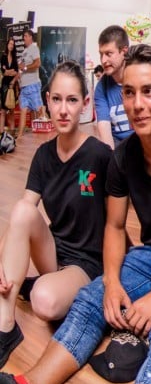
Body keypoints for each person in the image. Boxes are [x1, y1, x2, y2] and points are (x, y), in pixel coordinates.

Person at [0, 45, 151, 384]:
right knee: (90, 299)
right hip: (148, 256)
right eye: (130, 93)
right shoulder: (122, 157)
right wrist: (113, 282)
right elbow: (116, 227)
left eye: (149, 92)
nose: (138, 104)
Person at [0, 62, 111, 367]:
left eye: (72, 100)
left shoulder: (100, 155)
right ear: (47, 100)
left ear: (85, 104)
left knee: (44, 301)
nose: (63, 110)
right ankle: (5, 325)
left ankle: (40, 285)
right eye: (57, 99)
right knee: (23, 208)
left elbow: (117, 224)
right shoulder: (43, 155)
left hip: (87, 262)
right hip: (53, 254)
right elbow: (23, 213)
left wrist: (116, 279)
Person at [92, 25, 131, 148]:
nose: (103, 60)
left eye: (109, 54)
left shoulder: (140, 77)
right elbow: (104, 127)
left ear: (124, 51)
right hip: (119, 149)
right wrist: (111, 156)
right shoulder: (101, 88)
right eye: (101, 54)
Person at [16, 29, 41, 139]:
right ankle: (19, 136)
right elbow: (22, 68)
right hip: (24, 86)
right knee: (23, 110)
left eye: (26, 36)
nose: (24, 38)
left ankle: (50, 129)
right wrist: (17, 78)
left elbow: (37, 63)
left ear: (31, 37)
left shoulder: (34, 48)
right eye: (23, 36)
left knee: (39, 110)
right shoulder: (24, 51)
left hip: (32, 84)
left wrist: (25, 67)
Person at [0, 38, 17, 134]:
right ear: (7, 45)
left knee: (11, 110)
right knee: (3, 110)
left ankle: (12, 133)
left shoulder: (14, 58)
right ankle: (1, 132)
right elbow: (4, 72)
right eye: (10, 44)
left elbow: (16, 72)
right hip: (4, 85)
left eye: (13, 44)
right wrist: (10, 71)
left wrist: (8, 71)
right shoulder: (3, 56)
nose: (11, 46)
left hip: (12, 86)